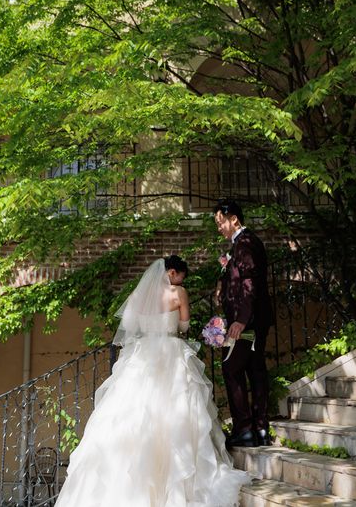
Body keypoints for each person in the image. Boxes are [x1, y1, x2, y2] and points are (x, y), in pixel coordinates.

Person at [54, 255, 251, 506]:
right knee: (176, 412)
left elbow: (129, 325)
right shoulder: (179, 293)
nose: (181, 281)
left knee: (134, 414)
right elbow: (184, 326)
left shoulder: (138, 295)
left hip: (142, 355)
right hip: (170, 351)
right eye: (180, 276)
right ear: (172, 272)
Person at [213, 200, 274, 448]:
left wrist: (240, 320)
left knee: (231, 368)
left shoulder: (245, 243)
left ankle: (245, 429)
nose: (219, 228)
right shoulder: (243, 243)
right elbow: (240, 279)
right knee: (254, 369)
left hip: (248, 323)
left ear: (234, 219)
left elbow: (249, 283)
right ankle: (260, 428)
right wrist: (223, 282)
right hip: (255, 320)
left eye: (220, 222)